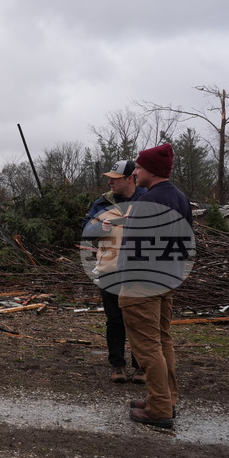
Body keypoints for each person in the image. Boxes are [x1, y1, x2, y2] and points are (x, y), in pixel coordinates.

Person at [119, 143, 193, 429]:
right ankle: (165, 399)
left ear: (152, 170)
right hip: (166, 281)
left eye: (138, 167)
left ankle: (159, 409)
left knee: (147, 347)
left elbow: (134, 249)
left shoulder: (147, 203)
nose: (135, 172)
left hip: (142, 285)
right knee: (163, 341)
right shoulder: (180, 198)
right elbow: (185, 245)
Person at [82, 159, 147, 383]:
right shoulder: (102, 203)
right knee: (115, 320)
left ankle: (141, 367)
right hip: (109, 269)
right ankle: (117, 365)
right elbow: (86, 229)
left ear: (130, 179)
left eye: (115, 178)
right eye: (109, 178)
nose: (110, 182)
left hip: (140, 270)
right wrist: (101, 226)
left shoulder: (148, 199)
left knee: (139, 321)